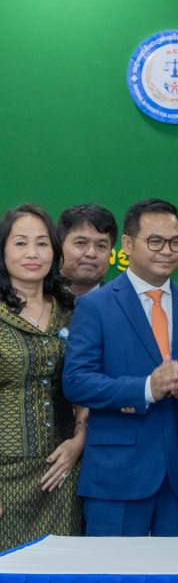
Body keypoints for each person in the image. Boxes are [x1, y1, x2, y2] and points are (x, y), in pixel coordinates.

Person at [62, 199, 178, 536]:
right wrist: (145, 389)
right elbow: (77, 381)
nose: (167, 251)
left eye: (175, 242)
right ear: (127, 244)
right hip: (117, 476)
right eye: (155, 241)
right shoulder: (95, 306)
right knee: (113, 571)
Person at [0, 205, 84, 552]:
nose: (32, 253)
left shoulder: (73, 311)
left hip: (61, 471)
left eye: (42, 243)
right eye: (20, 243)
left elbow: (87, 383)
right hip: (5, 476)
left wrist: (79, 441)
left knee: (61, 573)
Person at [57, 204, 117, 298]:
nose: (91, 253)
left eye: (101, 246)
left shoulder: (124, 304)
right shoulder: (37, 298)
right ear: (59, 246)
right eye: (81, 243)